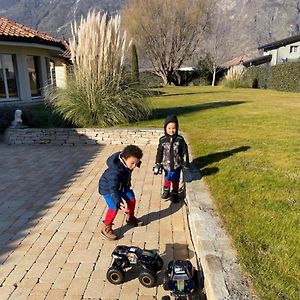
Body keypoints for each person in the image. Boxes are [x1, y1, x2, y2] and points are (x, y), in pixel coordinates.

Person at [99, 145, 144, 240]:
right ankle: (106, 227)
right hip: (108, 189)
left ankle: (130, 218)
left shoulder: (127, 160)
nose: (134, 166)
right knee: (113, 207)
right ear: (124, 158)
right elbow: (113, 189)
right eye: (132, 163)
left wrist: (135, 162)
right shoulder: (115, 172)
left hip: (122, 186)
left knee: (131, 199)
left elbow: (133, 161)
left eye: (136, 163)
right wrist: (118, 201)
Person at [154, 115, 189, 203]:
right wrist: (158, 163)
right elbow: (159, 152)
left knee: (175, 180)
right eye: (169, 128)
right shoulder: (162, 140)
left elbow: (184, 152)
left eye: (173, 128)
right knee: (167, 178)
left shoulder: (180, 139)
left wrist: (185, 163)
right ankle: (166, 190)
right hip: (166, 165)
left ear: (177, 128)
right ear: (165, 128)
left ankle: (175, 193)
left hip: (177, 165)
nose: (171, 130)